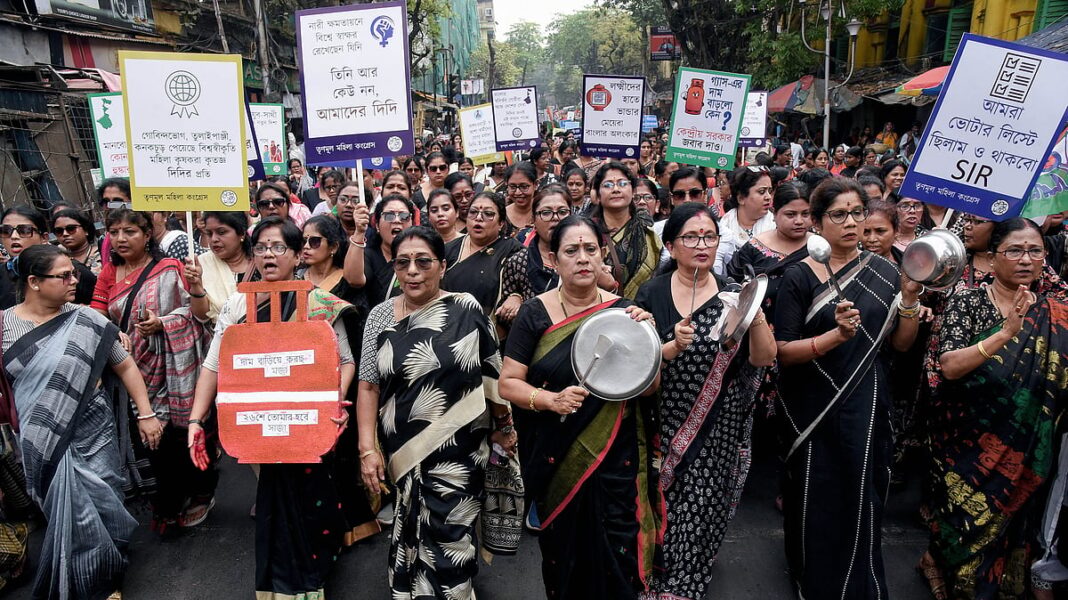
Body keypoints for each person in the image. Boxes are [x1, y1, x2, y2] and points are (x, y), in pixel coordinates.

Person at [186, 217, 354, 599]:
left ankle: (313, 579)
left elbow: (345, 361)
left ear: (297, 255)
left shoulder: (320, 305)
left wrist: (333, 403)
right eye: (261, 247)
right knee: (274, 504)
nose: (268, 255)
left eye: (279, 247)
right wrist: (197, 419)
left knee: (311, 504)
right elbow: (214, 365)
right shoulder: (236, 306)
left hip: (311, 424)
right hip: (261, 424)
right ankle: (279, 585)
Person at [774, 178, 921, 599]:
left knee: (860, 493)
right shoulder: (800, 275)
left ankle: (859, 585)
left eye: (858, 212)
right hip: (811, 405)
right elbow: (783, 351)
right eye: (838, 215)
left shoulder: (887, 272)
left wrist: (908, 299)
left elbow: (901, 344)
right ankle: (813, 579)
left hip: (866, 399)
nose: (851, 223)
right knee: (815, 492)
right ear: (818, 223)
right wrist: (834, 337)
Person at [499, 215, 658, 599]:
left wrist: (647, 339)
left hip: (614, 458)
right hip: (555, 457)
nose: (583, 258)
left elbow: (650, 388)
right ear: (553, 260)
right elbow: (508, 383)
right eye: (572, 251)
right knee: (565, 557)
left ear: (603, 255)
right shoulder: (535, 313)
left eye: (591, 249)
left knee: (616, 555)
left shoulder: (626, 313)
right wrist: (549, 400)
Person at [357, 226, 516, 598]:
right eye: (403, 263)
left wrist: (504, 426)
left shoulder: (466, 308)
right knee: (410, 522)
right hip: (403, 448)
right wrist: (367, 449)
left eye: (423, 261)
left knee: (451, 531)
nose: (413, 270)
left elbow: (492, 373)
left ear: (442, 266)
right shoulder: (380, 317)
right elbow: (368, 386)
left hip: (460, 449)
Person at [4, 244, 162, 599]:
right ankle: (93, 577)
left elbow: (124, 366)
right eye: (64, 276)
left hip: (93, 429)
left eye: (73, 273)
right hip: (40, 437)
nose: (75, 280)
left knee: (103, 500)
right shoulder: (3, 326)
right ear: (33, 282)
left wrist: (145, 413)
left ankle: (104, 579)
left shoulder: (88, 319)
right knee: (68, 511)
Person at [922, 218, 1068, 600]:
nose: (1025, 260)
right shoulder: (968, 298)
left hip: (1027, 438)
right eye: (1015, 251)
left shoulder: (1056, 311)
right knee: (960, 517)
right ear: (993, 256)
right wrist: (1005, 334)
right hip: (967, 434)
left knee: (1014, 517)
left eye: (1034, 251)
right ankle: (940, 564)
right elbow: (950, 366)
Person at [636, 203, 776, 599]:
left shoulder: (735, 294)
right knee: (662, 506)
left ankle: (683, 587)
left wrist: (754, 312)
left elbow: (764, 358)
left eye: (710, 237)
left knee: (701, 506)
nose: (702, 245)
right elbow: (638, 360)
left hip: (718, 424)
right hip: (661, 418)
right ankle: (655, 578)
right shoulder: (651, 292)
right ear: (670, 245)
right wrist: (671, 346)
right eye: (691, 237)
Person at [90, 208, 210, 534]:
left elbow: (197, 313)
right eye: (114, 232)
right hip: (131, 368)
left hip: (174, 368)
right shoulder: (107, 274)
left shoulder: (169, 268)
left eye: (130, 231)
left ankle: (187, 495)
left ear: (147, 235)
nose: (120, 239)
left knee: (174, 439)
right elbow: (97, 319)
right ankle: (165, 504)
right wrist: (115, 333)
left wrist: (163, 322)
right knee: (149, 444)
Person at [727, 181, 811, 321]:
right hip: (760, 330)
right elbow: (731, 287)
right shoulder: (754, 248)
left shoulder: (819, 248)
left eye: (805, 214)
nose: (799, 221)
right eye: (790, 215)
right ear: (775, 213)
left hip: (811, 334)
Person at [442, 191, 523, 319]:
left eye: (488, 214)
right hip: (448, 326)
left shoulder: (514, 251)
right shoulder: (448, 250)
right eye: (473, 212)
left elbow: (526, 289)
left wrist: (517, 297)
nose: (479, 218)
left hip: (490, 331)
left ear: (501, 223)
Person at [589, 161, 662, 298]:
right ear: (598, 194)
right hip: (595, 312)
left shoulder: (648, 233)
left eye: (622, 184)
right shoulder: (587, 232)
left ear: (633, 191)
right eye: (608, 185)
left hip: (641, 312)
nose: (616, 189)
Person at [185, 211, 254, 325]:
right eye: (209, 233)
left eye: (221, 232)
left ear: (241, 233)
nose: (214, 239)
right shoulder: (201, 264)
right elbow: (202, 316)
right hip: (221, 340)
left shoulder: (261, 262)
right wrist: (196, 284)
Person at [343, 194, 409, 307]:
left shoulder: (421, 257)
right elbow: (354, 280)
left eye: (404, 216)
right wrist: (359, 231)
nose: (397, 220)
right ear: (377, 225)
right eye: (389, 215)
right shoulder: (368, 255)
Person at [716, 166, 776, 275]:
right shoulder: (722, 229)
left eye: (769, 191)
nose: (768, 197)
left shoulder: (776, 226)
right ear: (741, 198)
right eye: (762, 192)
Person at [52, 208, 101, 274]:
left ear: (86, 230)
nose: (65, 234)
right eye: (59, 231)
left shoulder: (103, 254)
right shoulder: (57, 261)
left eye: (71, 229)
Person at [504, 162, 538, 235]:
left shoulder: (545, 214)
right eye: (512, 187)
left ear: (535, 185)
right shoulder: (501, 216)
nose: (518, 192)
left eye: (524, 187)